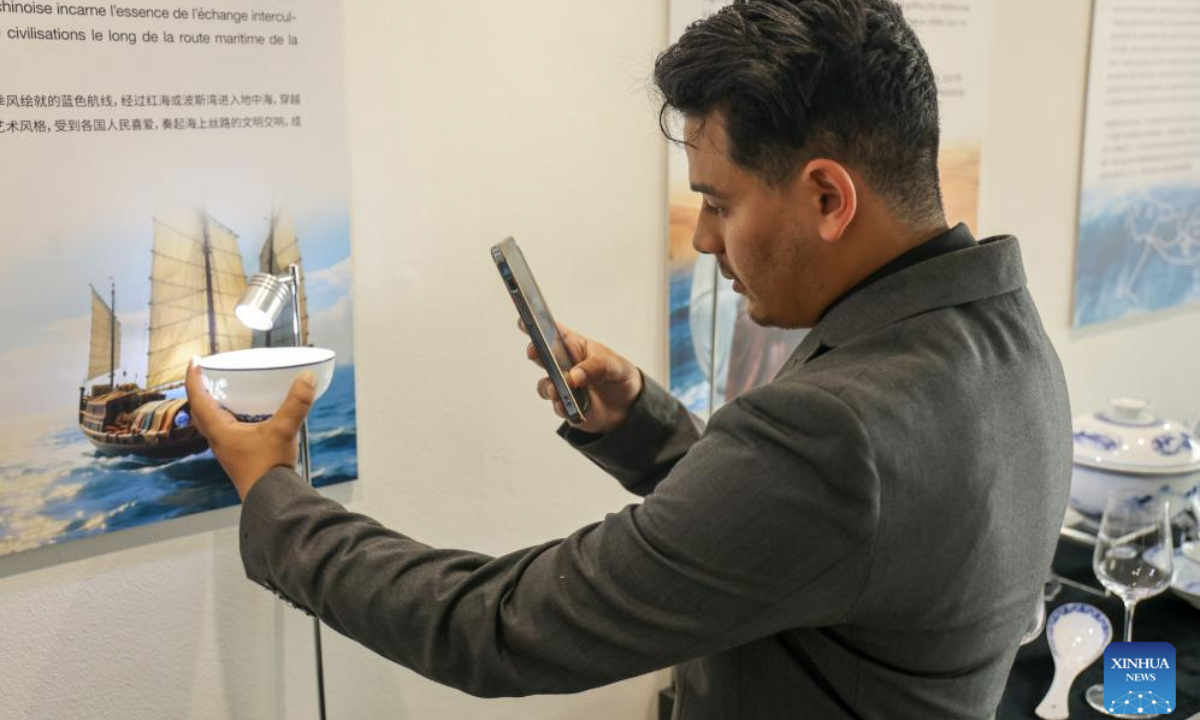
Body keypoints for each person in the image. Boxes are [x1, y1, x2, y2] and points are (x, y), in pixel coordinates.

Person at [185, 1, 1072, 717]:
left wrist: (277, 501)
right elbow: (817, 545)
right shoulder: (1001, 327)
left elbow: (506, 627)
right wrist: (643, 425)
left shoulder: (837, 430)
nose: (708, 240)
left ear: (829, 196)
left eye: (719, 203)